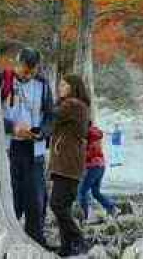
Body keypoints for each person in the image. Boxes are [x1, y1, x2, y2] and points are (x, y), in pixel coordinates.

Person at [0, 48, 53, 247]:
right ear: (17, 62)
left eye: (32, 70)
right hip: (9, 148)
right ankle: (7, 242)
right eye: (25, 69)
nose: (28, 74)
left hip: (34, 151)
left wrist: (42, 131)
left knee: (36, 200)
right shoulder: (2, 80)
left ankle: (36, 242)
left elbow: (50, 116)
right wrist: (12, 127)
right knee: (12, 198)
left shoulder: (43, 86)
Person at [49, 74, 90, 257]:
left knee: (56, 204)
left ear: (73, 87)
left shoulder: (72, 105)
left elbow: (51, 113)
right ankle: (66, 248)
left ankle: (78, 239)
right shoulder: (78, 106)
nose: (60, 87)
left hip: (67, 165)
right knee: (63, 206)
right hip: (70, 165)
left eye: (64, 84)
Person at [78, 122, 117, 224]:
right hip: (101, 166)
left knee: (82, 192)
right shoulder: (96, 133)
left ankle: (85, 218)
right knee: (95, 192)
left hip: (92, 167)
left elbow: (89, 153)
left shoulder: (87, 135)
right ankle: (112, 208)